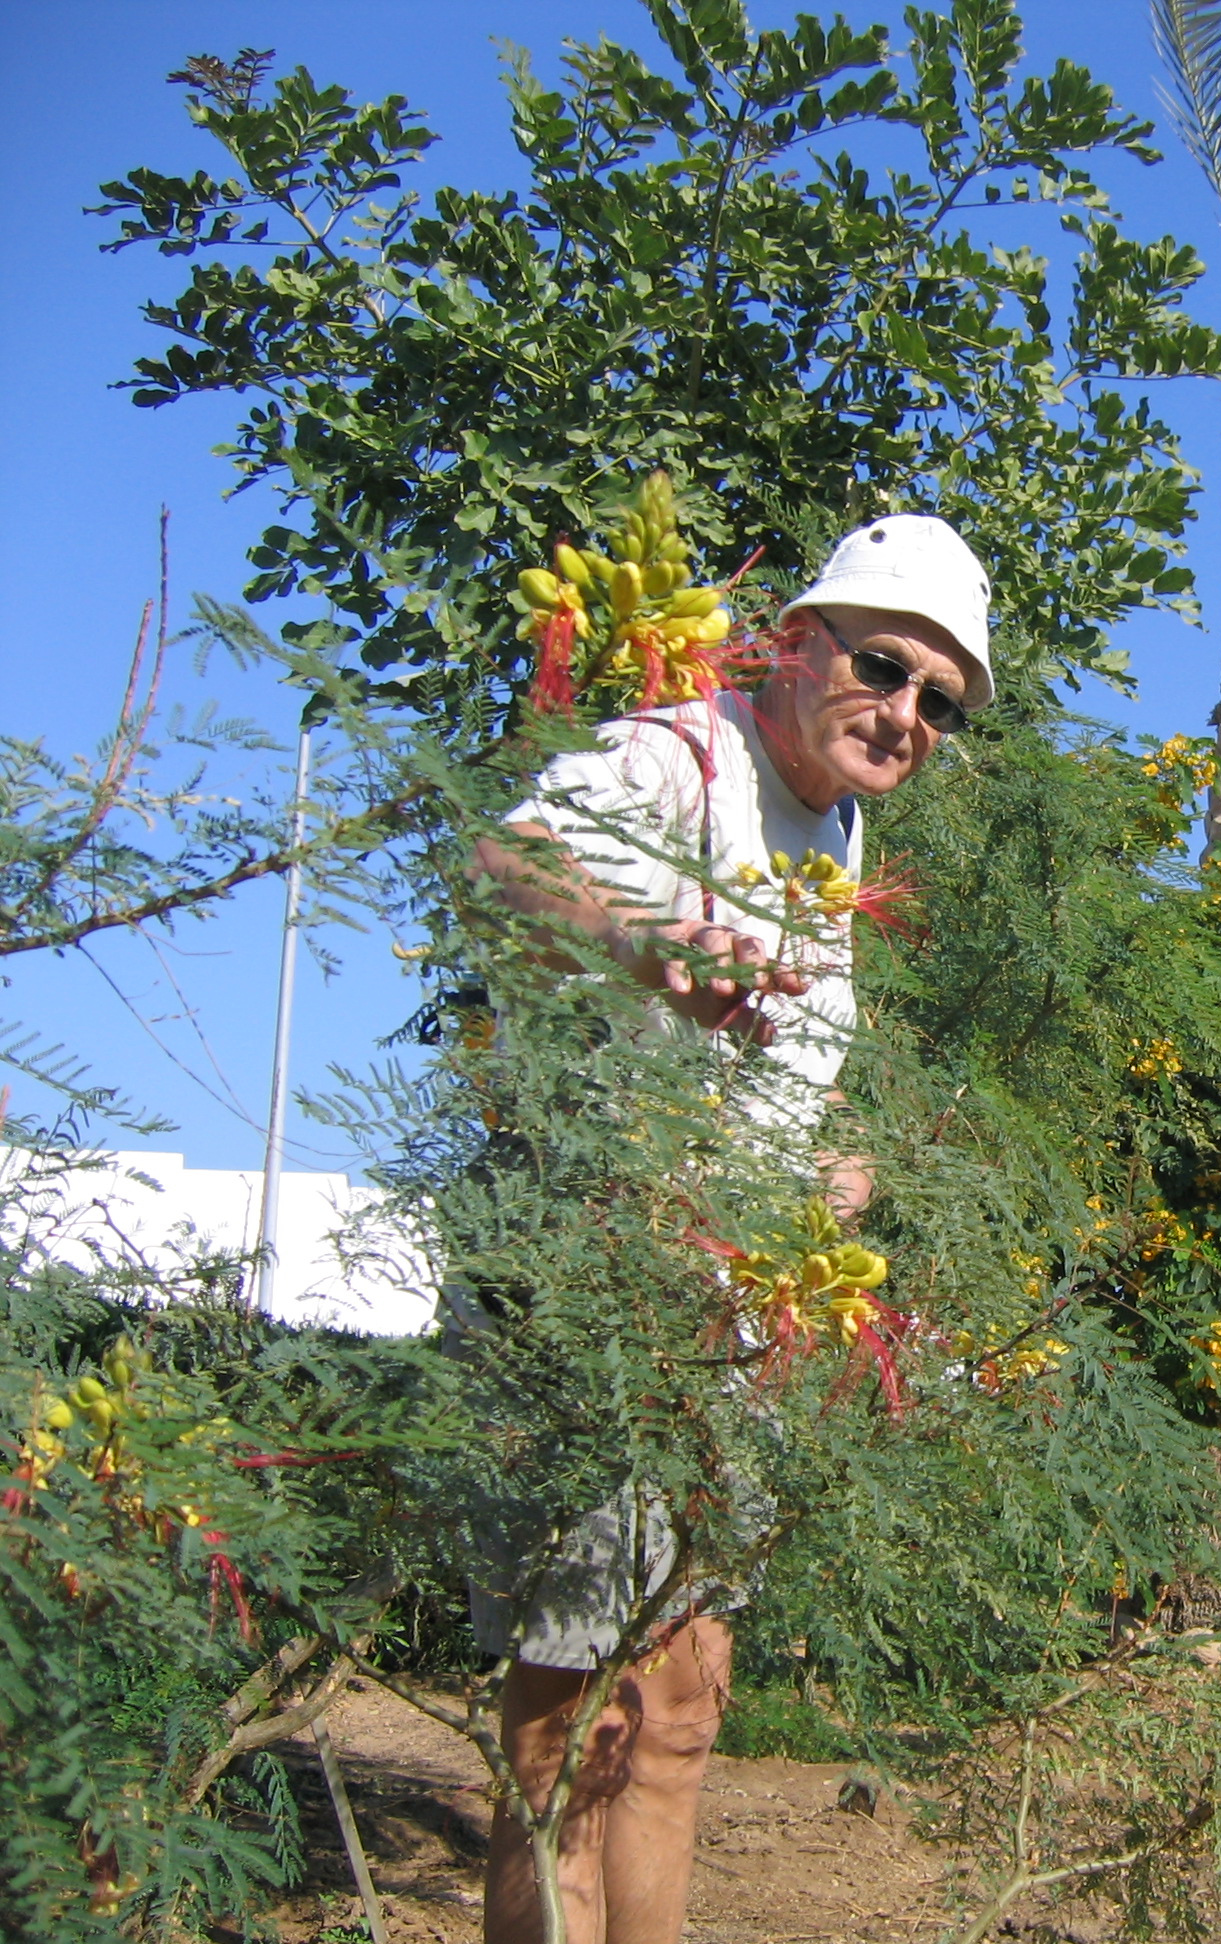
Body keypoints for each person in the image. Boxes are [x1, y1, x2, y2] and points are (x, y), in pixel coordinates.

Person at [464, 513, 992, 1944]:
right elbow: (506, 868)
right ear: (801, 643)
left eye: (938, 702)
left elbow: (778, 1064)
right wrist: (649, 941)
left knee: (685, 1708)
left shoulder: (835, 825)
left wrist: (829, 1167)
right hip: (597, 1279)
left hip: (728, 1313)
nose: (905, 715)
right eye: (884, 668)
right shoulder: (674, 757)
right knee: (570, 1735)